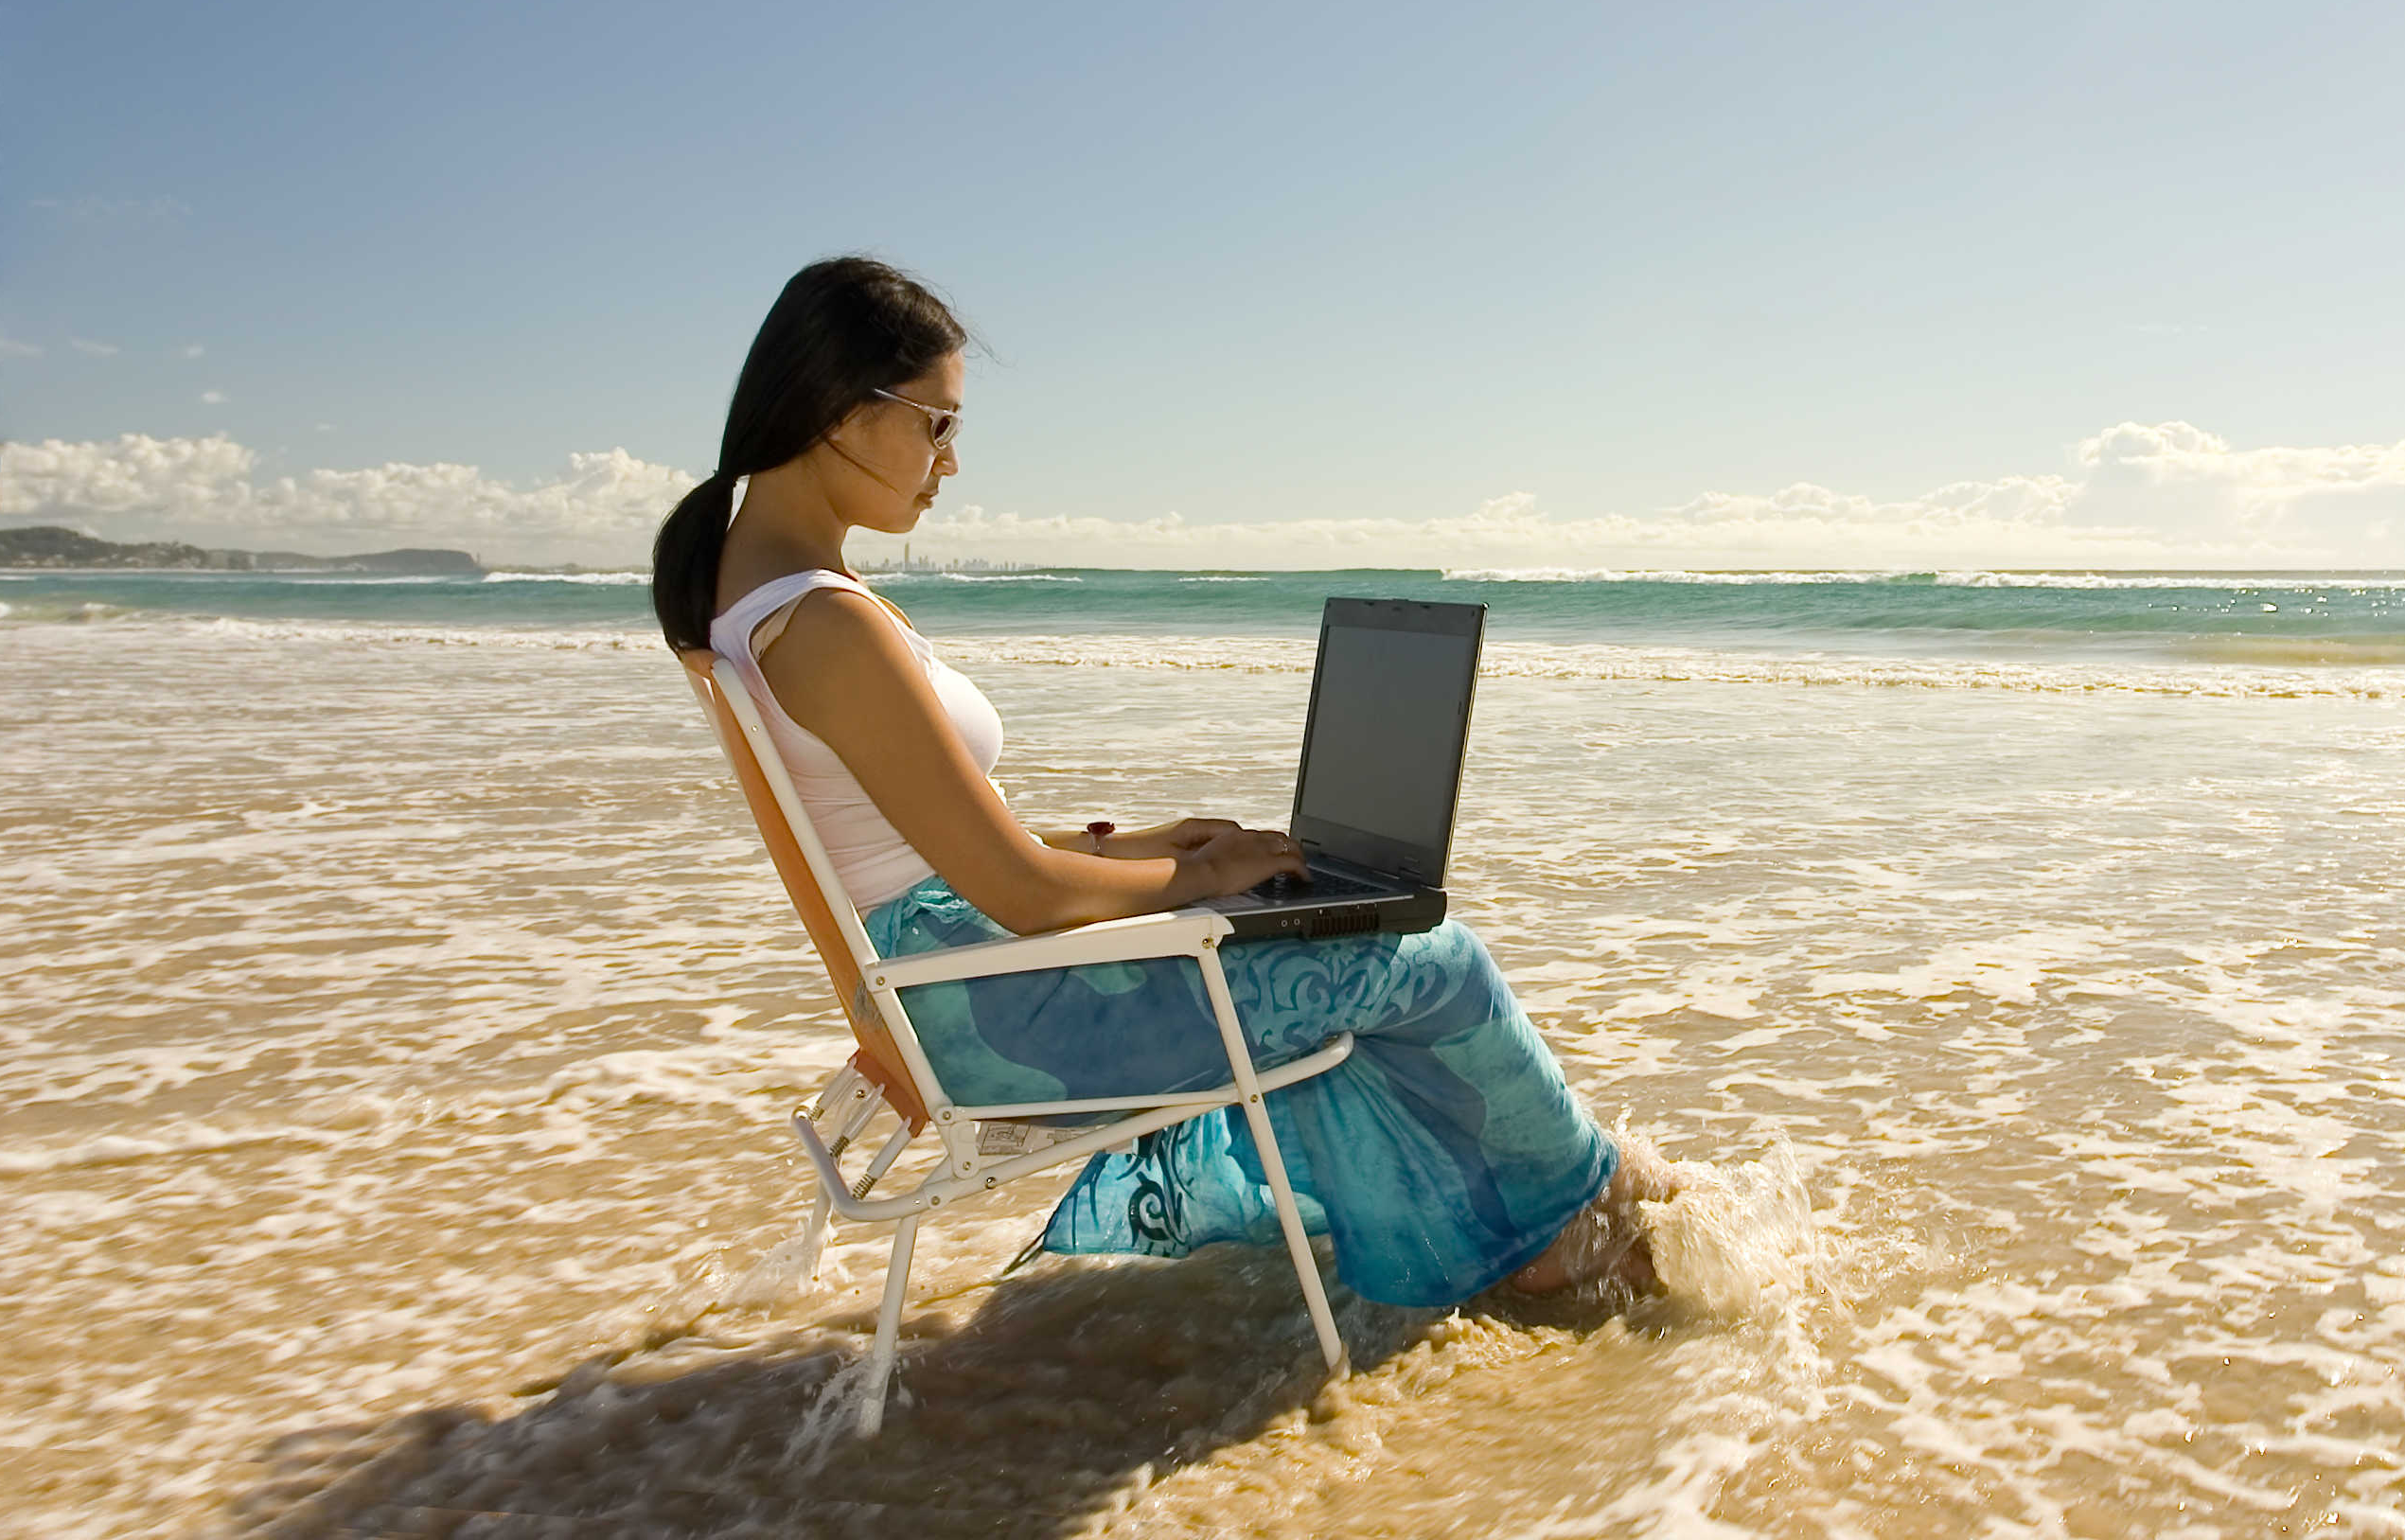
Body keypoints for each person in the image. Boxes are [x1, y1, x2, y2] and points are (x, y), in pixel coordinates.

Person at [652, 257, 1676, 1307]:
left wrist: (1138, 846)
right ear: (840, 412)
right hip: (998, 1015)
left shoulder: (767, 597)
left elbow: (930, 846)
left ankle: (1515, 1225)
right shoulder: (824, 622)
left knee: (1333, 943)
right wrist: (1200, 877)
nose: (949, 462)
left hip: (963, 985)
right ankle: (1586, 1220)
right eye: (937, 424)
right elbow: (1022, 895)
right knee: (1421, 950)